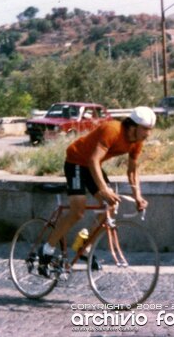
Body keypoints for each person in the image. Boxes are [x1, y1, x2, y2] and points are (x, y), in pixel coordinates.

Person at [38, 106, 156, 276]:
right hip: (76, 161)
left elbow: (132, 171)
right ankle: (47, 248)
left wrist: (138, 196)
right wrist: (103, 189)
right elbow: (93, 160)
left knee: (111, 206)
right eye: (145, 129)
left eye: (150, 130)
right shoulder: (112, 129)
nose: (148, 134)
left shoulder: (137, 142)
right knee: (77, 210)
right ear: (133, 126)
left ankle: (84, 245)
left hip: (92, 167)